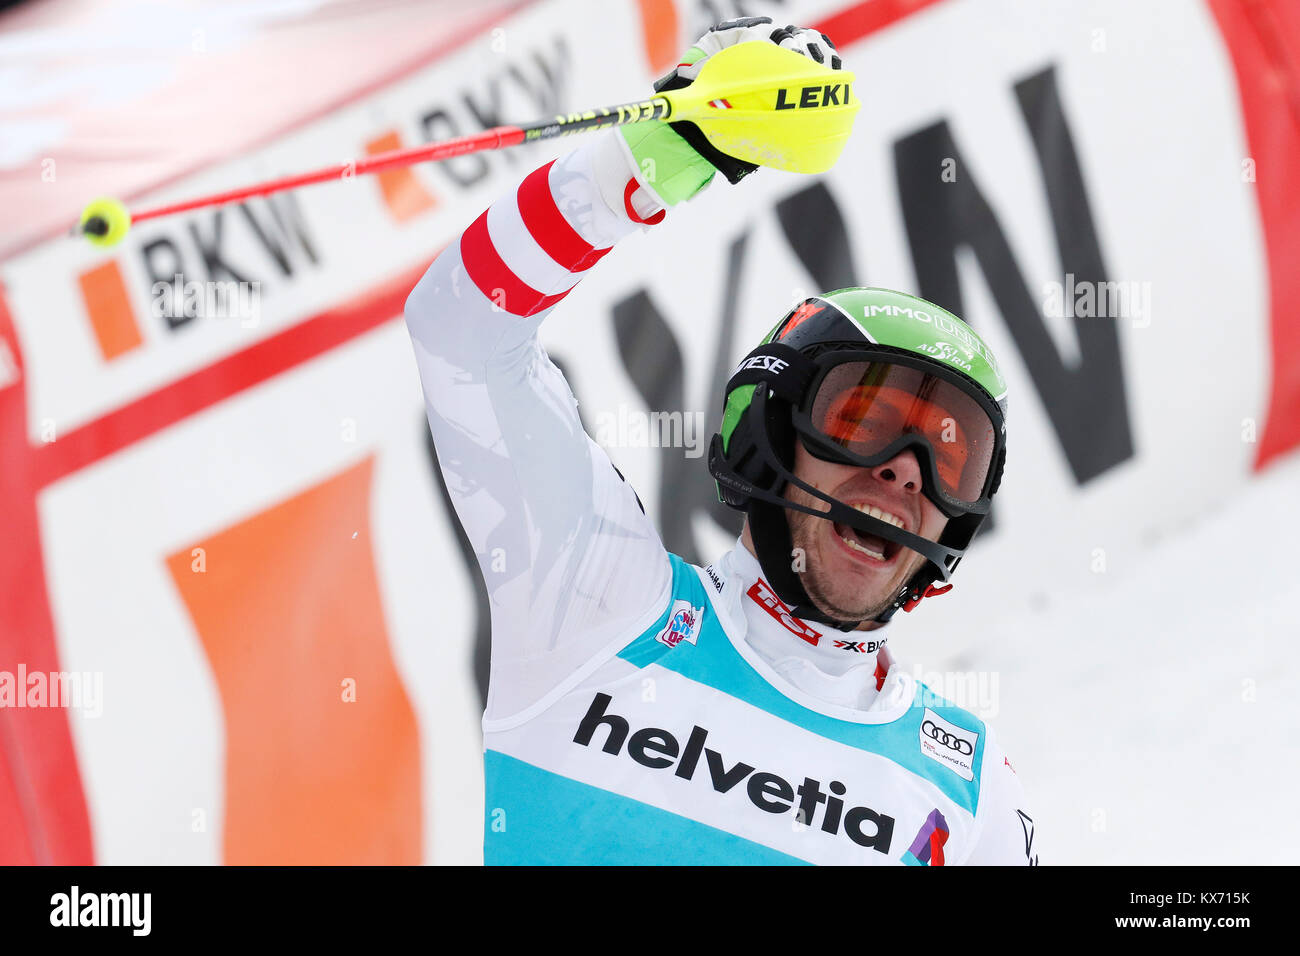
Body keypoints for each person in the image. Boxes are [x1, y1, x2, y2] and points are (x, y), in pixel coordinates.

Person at [404, 17, 1038, 865]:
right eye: (863, 419)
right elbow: (460, 330)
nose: (904, 472)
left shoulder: (971, 791)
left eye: (951, 459)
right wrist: (644, 164)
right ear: (772, 432)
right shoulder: (599, 605)